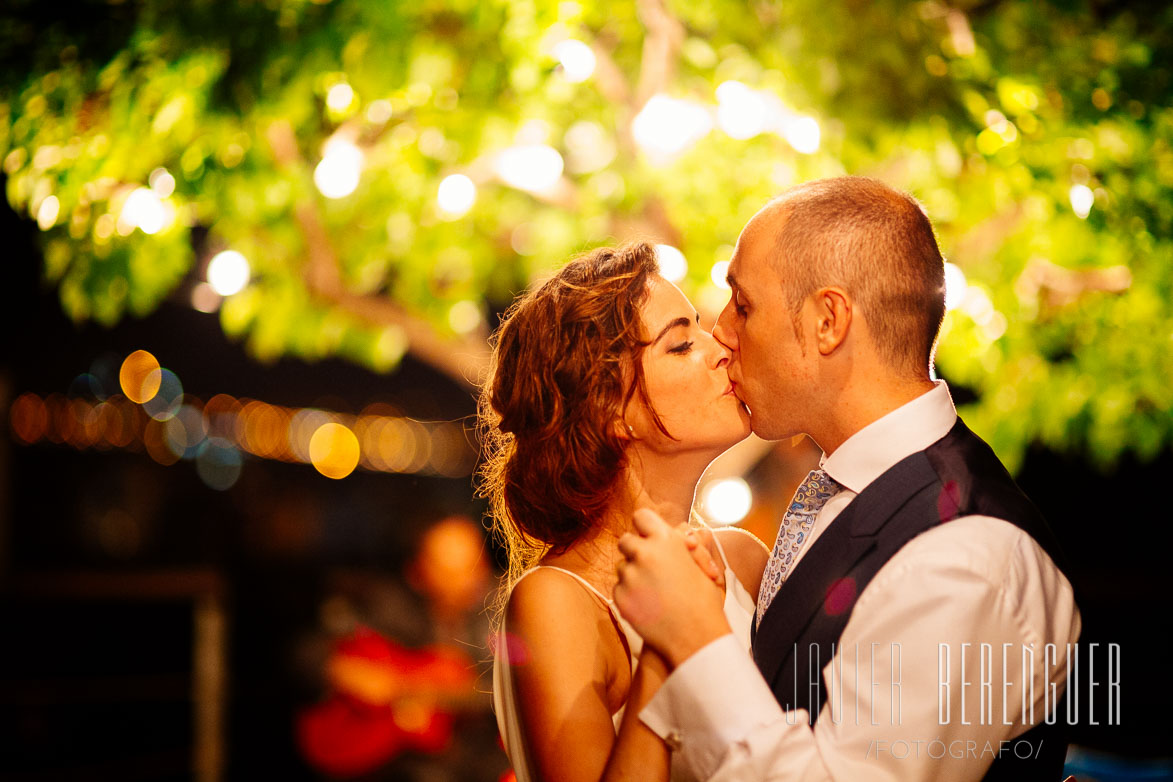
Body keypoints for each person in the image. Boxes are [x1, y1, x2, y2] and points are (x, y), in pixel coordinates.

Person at [613, 176, 1082, 781]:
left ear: (828, 321)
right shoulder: (850, 494)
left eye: (743, 305)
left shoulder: (962, 554)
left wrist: (698, 639)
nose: (721, 334)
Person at [479, 242, 771, 782]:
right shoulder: (558, 601)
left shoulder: (745, 561)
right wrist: (667, 642)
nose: (720, 348)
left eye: (701, 329)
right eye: (681, 345)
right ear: (611, 411)